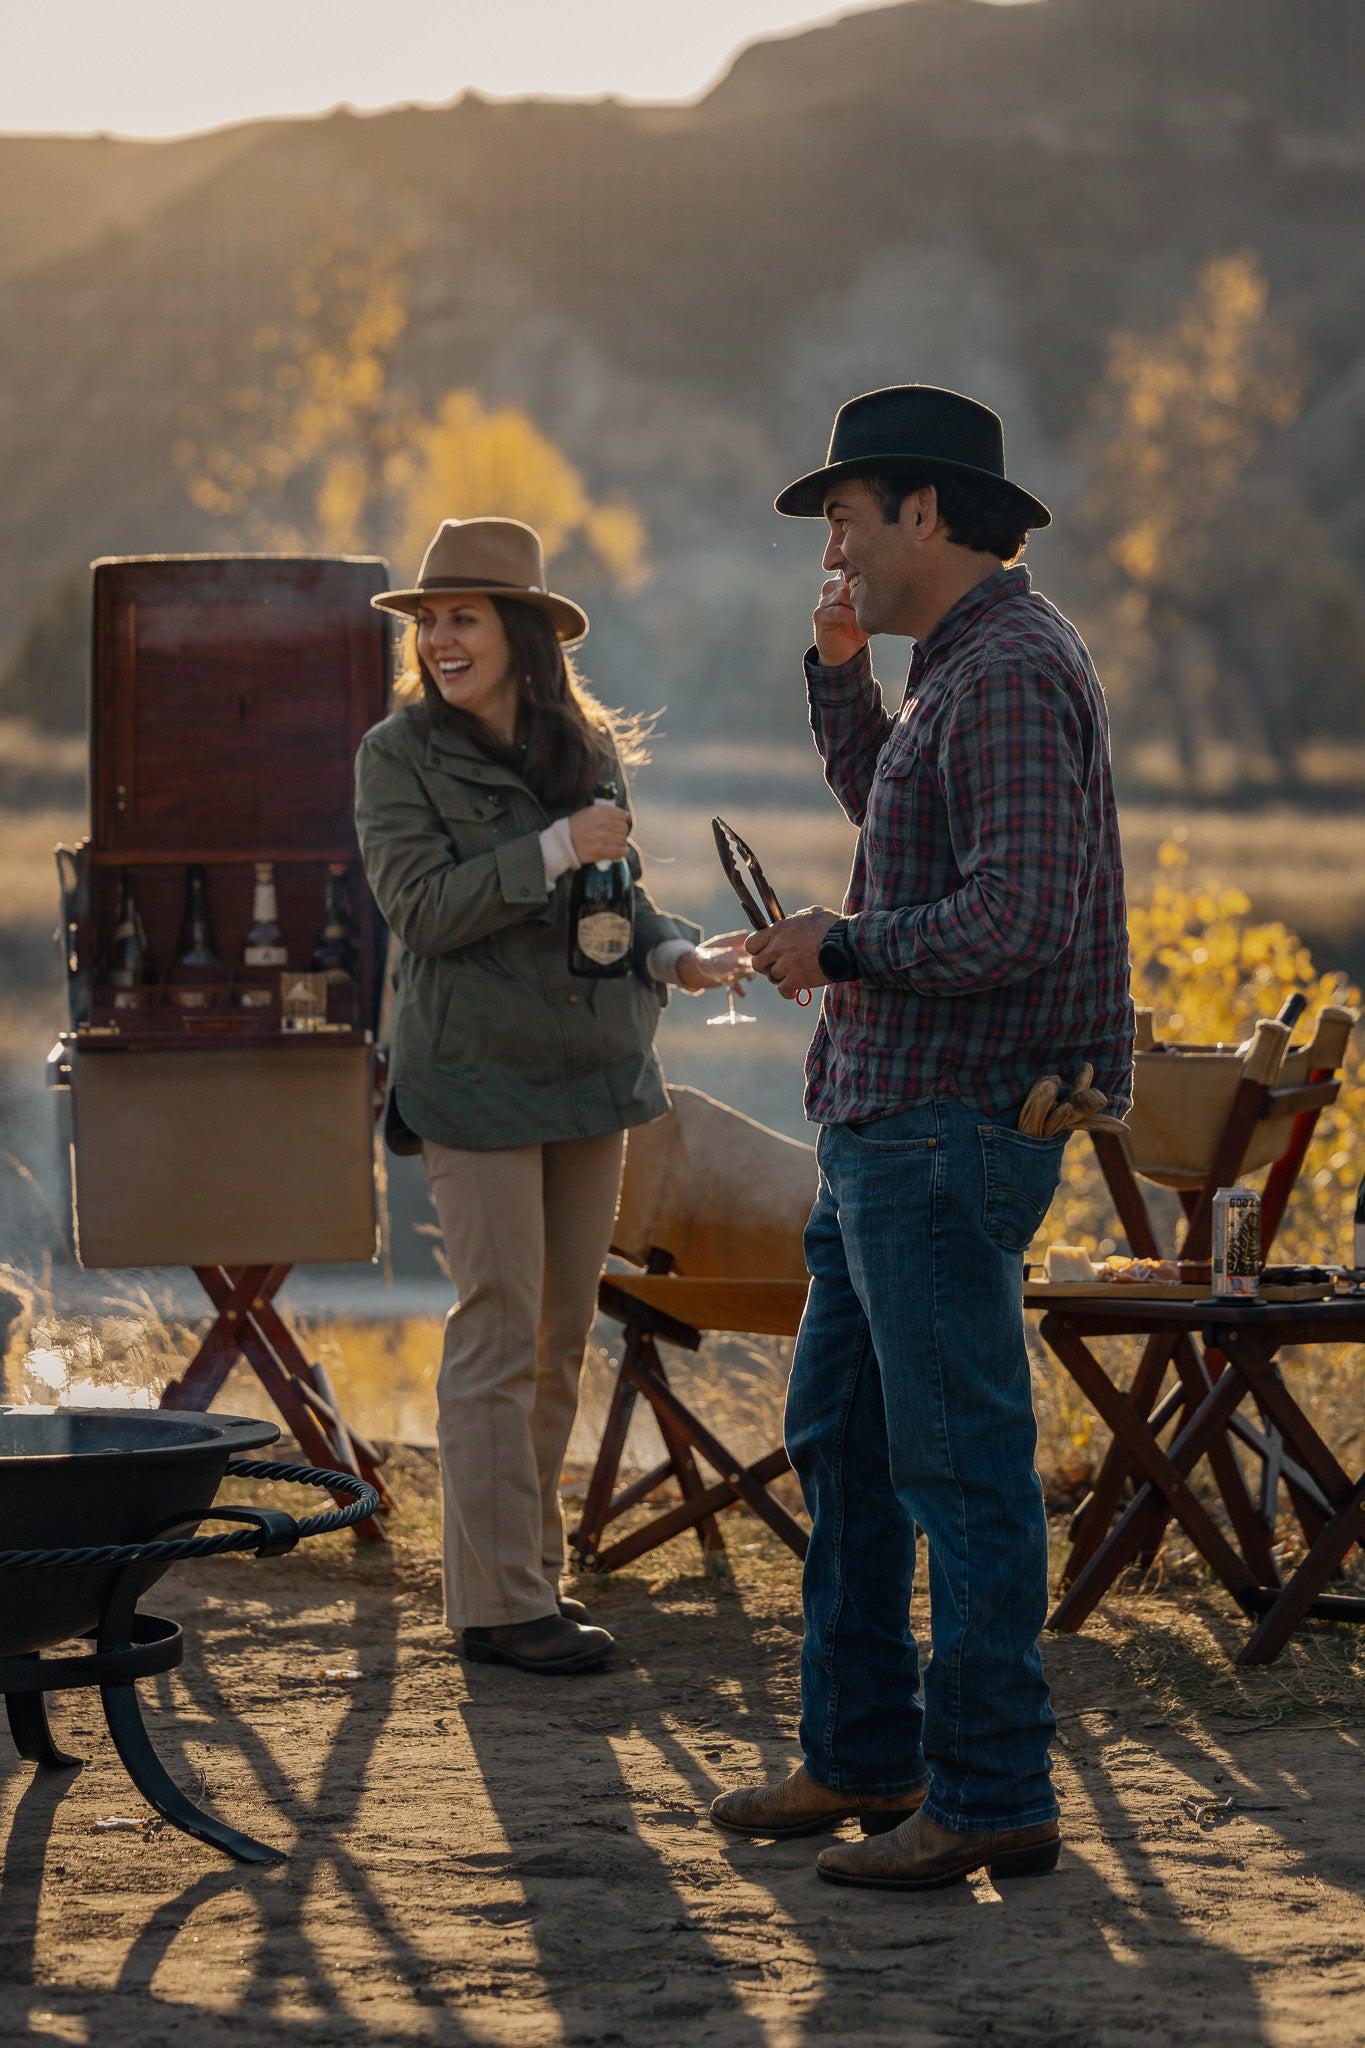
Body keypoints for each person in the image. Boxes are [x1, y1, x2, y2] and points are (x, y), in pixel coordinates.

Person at [710, 386, 1134, 1887]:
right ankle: (866, 1757)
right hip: (886, 1119)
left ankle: (991, 1790)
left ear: (927, 515)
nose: (832, 544)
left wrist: (843, 949)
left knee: (955, 1465)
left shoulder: (1011, 670)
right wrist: (838, 677)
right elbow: (906, 815)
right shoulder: (961, 668)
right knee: (842, 1439)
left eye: (845, 514)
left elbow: (1014, 916)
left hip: (944, 1128)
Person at [355, 516, 750, 1676]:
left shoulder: (584, 748)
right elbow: (422, 910)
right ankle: (494, 1603)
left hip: (596, 1077)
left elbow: (614, 902)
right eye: (429, 621)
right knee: (497, 1325)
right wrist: (553, 849)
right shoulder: (396, 756)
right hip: (472, 1083)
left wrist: (682, 958)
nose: (439, 639)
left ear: (521, 630)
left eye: (462, 617)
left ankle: (530, 1583)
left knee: (559, 1334)